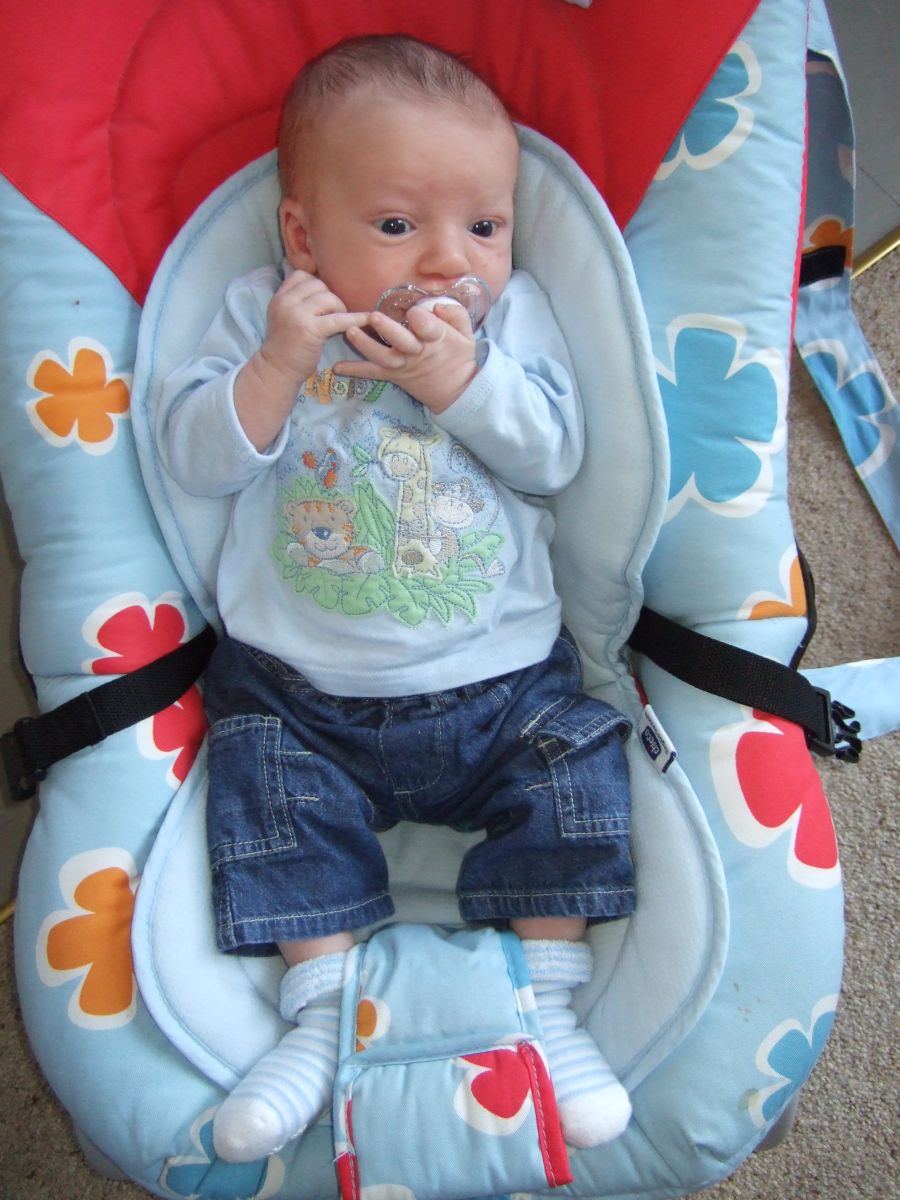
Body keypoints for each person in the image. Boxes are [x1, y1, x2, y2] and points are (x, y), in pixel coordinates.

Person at [157, 33, 635, 1164]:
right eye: (395, 225)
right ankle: (321, 1015)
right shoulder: (261, 315)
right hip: (299, 691)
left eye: (485, 226)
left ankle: (547, 1004)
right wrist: (275, 369)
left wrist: (460, 381)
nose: (448, 263)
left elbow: (556, 454)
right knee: (261, 786)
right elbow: (193, 460)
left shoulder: (509, 323)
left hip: (503, 685)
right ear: (302, 237)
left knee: (577, 764)